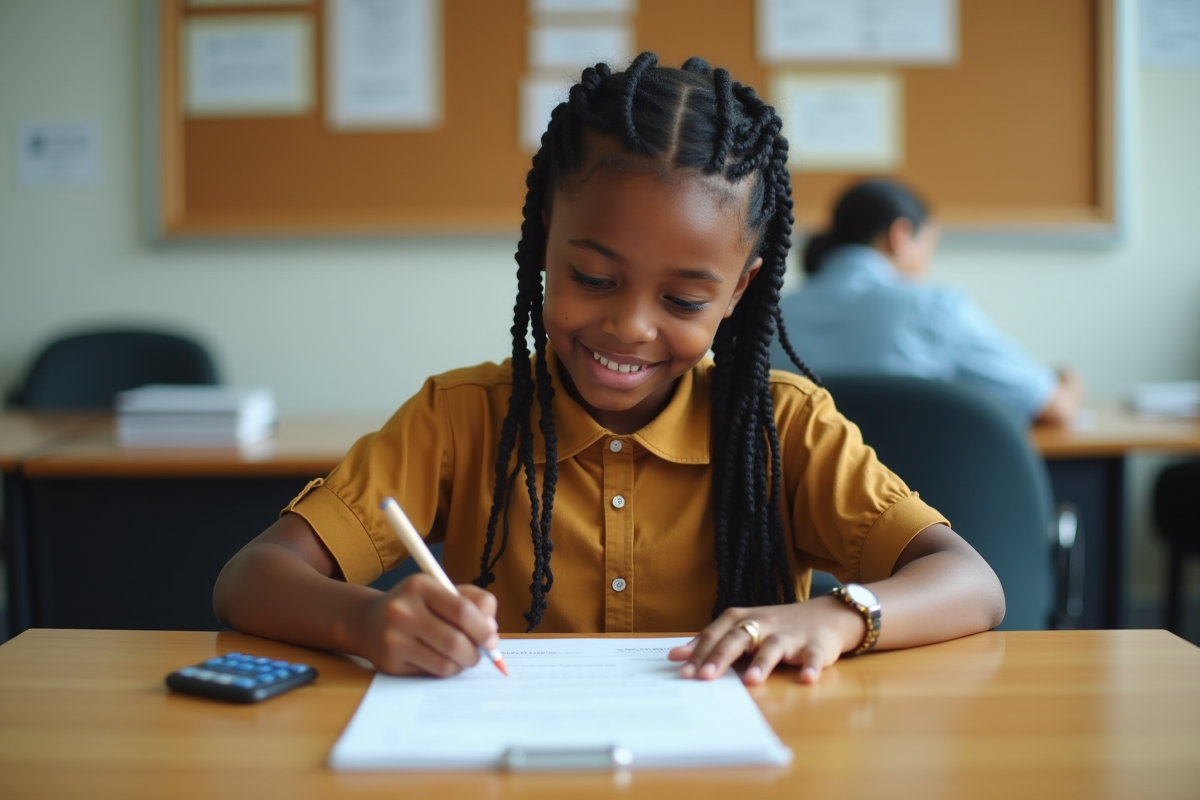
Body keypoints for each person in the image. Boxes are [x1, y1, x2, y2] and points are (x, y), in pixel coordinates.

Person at [214, 54, 1004, 686]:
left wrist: (839, 616)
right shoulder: (460, 417)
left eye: (684, 299)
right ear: (544, 240)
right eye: (593, 278)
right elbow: (251, 577)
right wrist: (365, 621)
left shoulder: (783, 425)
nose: (629, 326)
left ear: (739, 291)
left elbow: (970, 582)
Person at [772, 179, 1082, 426]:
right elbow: (1053, 408)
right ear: (901, 235)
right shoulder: (934, 309)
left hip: (799, 489)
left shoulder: (771, 317)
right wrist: (1069, 380)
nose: (927, 263)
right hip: (910, 489)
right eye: (928, 246)